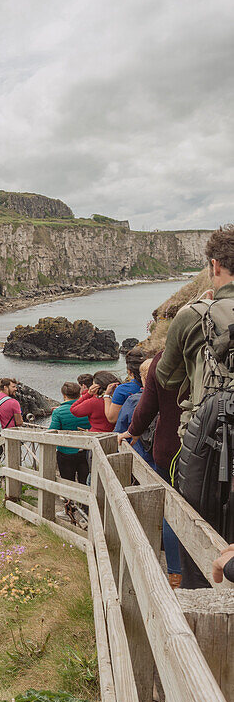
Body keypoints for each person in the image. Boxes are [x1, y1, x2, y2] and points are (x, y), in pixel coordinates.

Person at [156, 225, 234, 588]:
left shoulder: (193, 315)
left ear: (215, 266)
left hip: (204, 446)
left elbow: (165, 378)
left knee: (199, 540)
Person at [120, 349, 183, 586]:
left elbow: (146, 409)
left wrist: (132, 432)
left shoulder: (164, 360)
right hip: (214, 446)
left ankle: (175, 573)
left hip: (171, 449)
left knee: (172, 509)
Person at [49, 382, 91, 480]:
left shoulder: (59, 412)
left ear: (64, 395)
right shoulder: (87, 407)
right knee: (84, 481)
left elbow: (51, 431)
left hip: (66, 451)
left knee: (67, 480)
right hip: (86, 449)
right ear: (79, 393)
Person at [106, 348, 145, 425]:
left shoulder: (123, 390)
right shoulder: (158, 385)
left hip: (129, 432)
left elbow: (112, 418)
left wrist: (107, 396)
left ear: (129, 371)